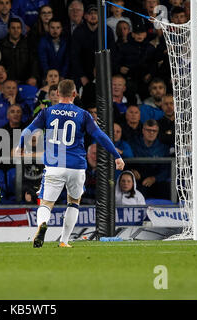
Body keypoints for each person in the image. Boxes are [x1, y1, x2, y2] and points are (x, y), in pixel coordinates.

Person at [16, 79, 124, 248]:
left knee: (46, 203)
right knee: (74, 202)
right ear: (75, 94)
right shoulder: (83, 114)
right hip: (77, 166)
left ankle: (42, 225)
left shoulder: (47, 112)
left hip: (55, 165)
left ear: (57, 94)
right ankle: (64, 241)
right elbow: (100, 136)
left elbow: (27, 131)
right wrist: (116, 156)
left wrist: (20, 145)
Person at [0, 18, 39, 86]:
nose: (16, 30)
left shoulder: (29, 43)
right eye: (13, 28)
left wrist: (33, 77)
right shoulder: (1, 44)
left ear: (21, 30)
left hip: (27, 81)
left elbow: (34, 62)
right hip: (7, 81)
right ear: (8, 29)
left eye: (18, 28)